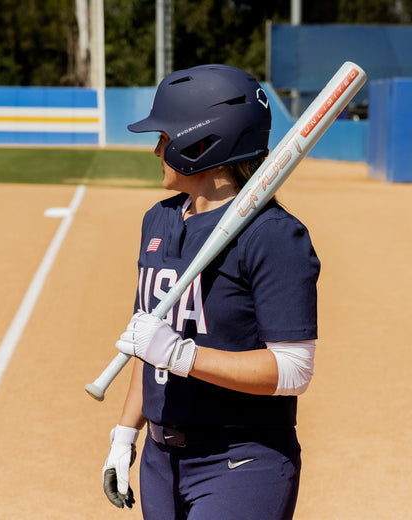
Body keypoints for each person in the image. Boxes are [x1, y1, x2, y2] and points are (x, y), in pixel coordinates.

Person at [102, 64, 320, 520]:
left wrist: (183, 357)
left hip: (241, 461)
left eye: (164, 138)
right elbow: (150, 342)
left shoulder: (273, 236)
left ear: (200, 145)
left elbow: (293, 370)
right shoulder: (158, 221)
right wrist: (125, 435)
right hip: (162, 464)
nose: (155, 150)